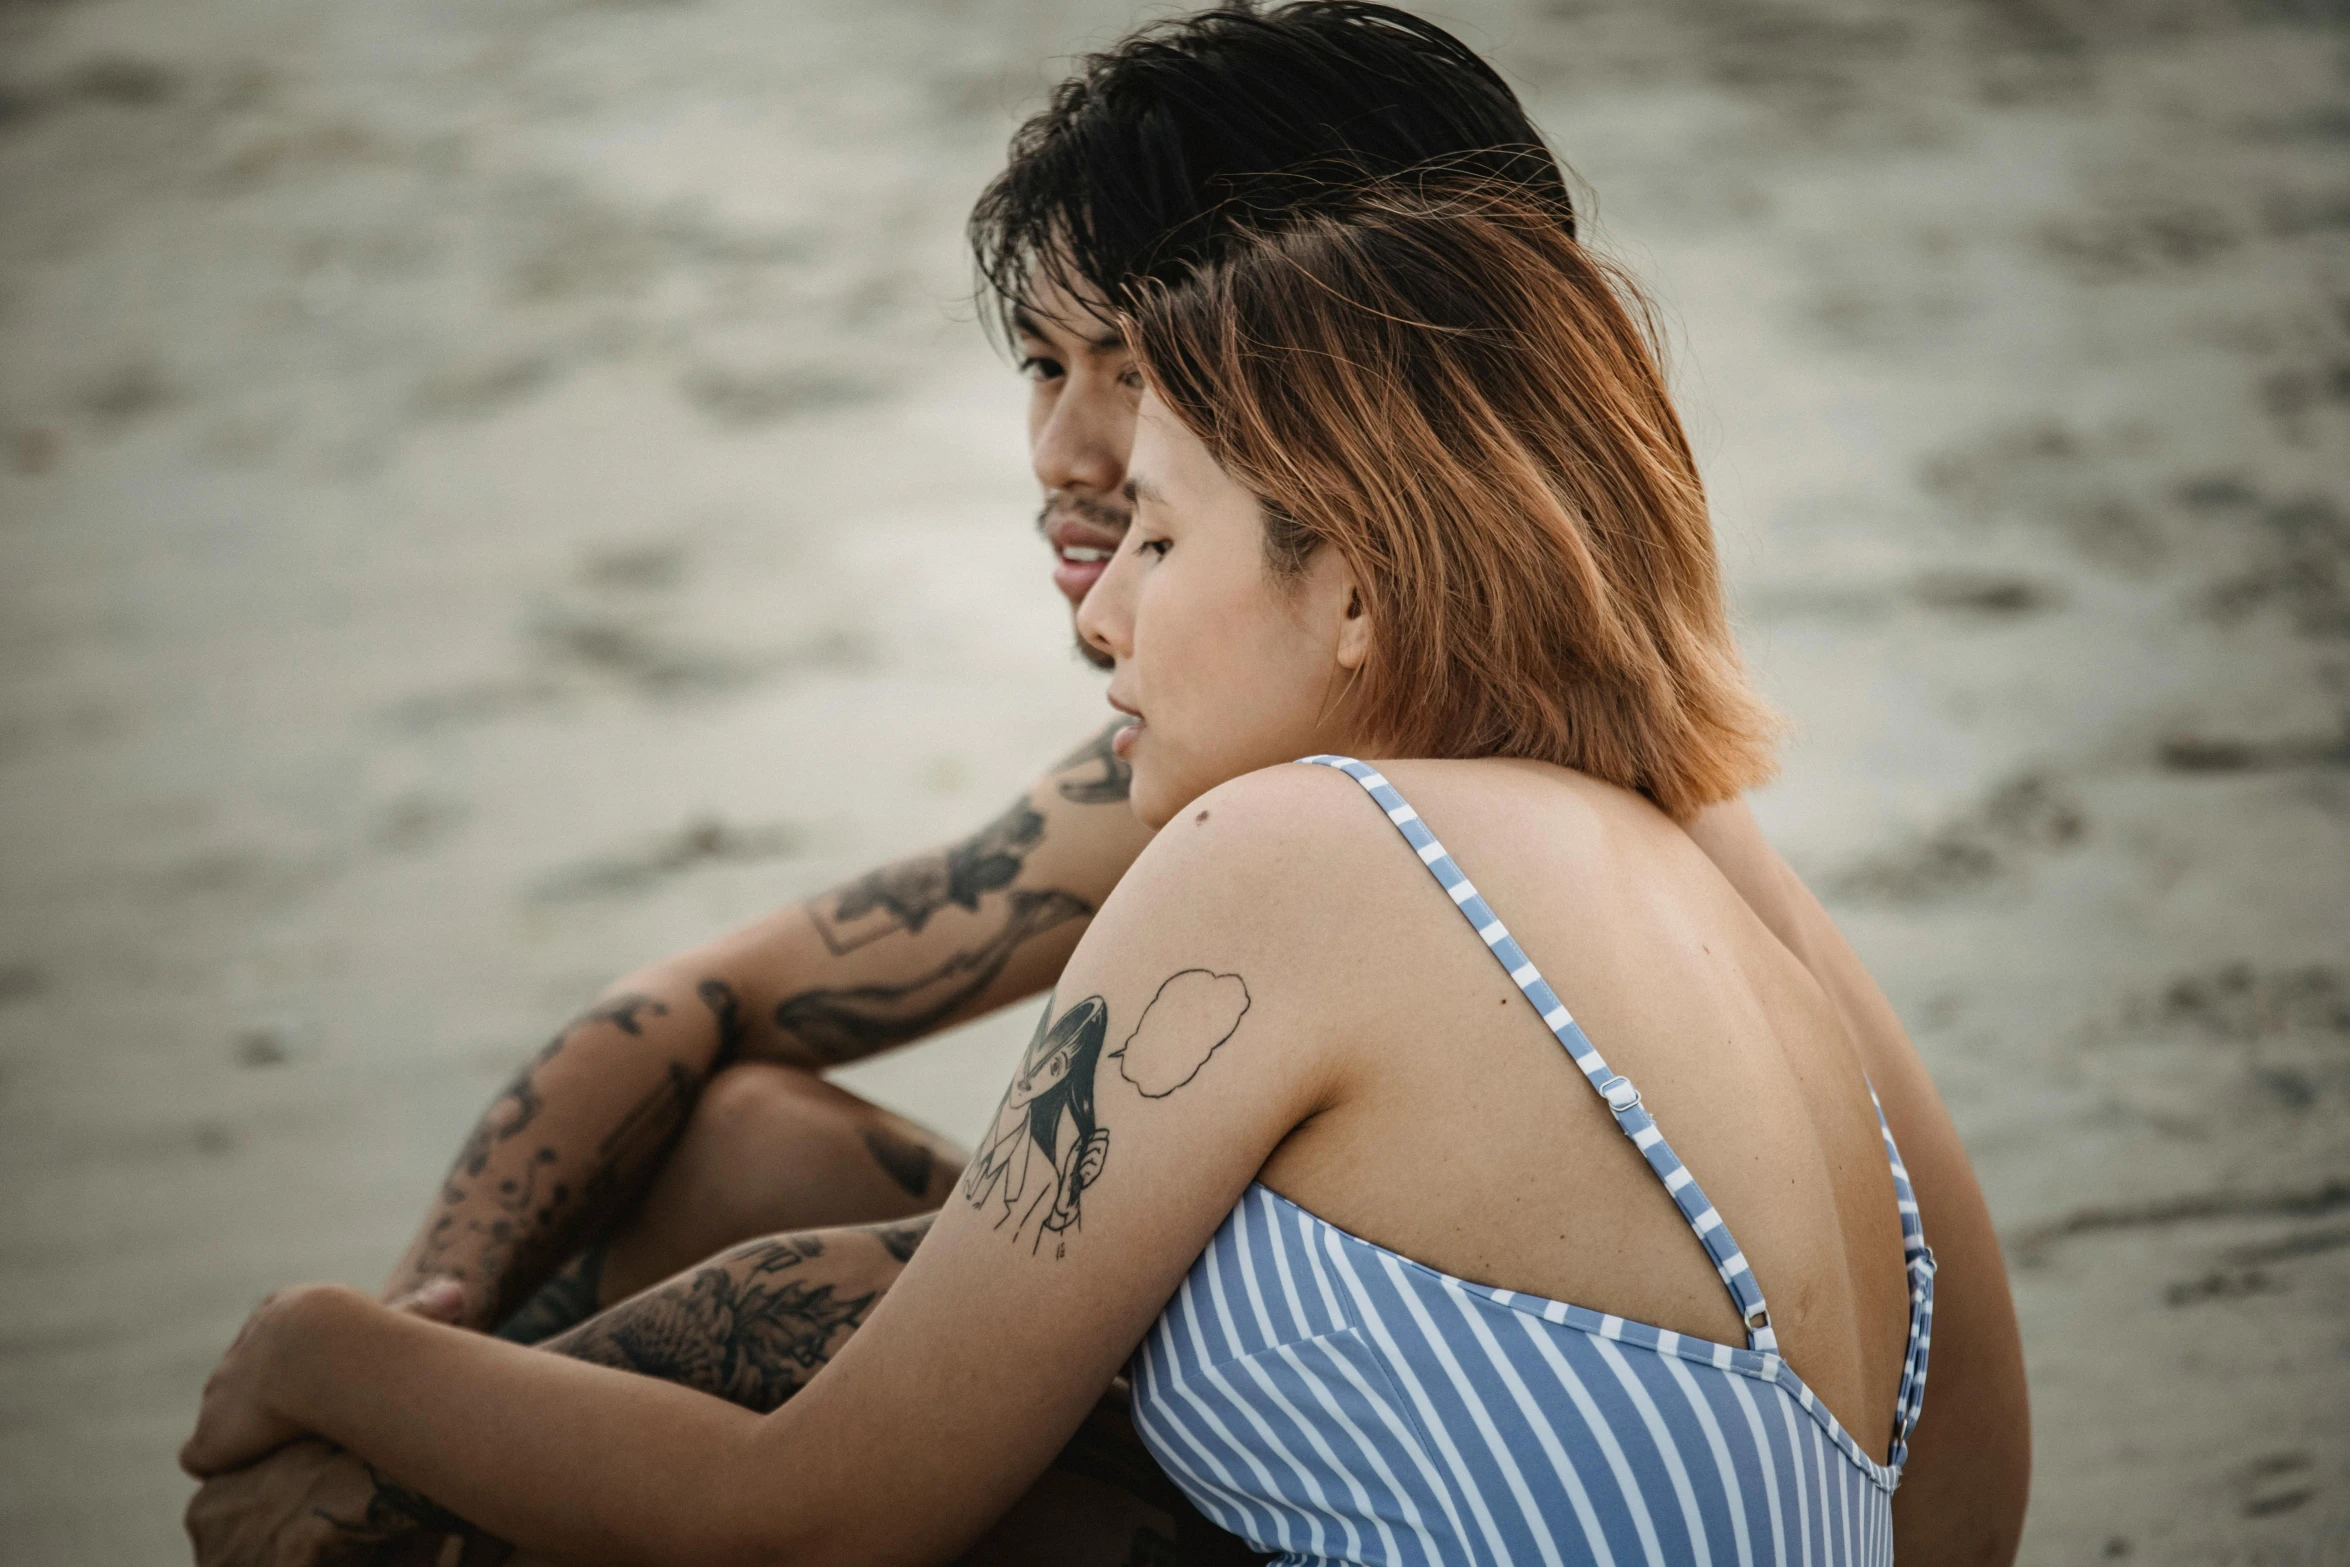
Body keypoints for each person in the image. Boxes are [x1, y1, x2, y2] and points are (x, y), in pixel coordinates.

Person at [182, 7, 2029, 1565]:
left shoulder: (1325, 844)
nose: (1075, 460)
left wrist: (344, 1373)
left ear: (1352, 412)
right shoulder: (1610, 822)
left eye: (1147, 408)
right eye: (1046, 368)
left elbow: (824, 1468)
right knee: (756, 1155)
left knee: (758, 1341)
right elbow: (732, 1057)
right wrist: (444, 1331)